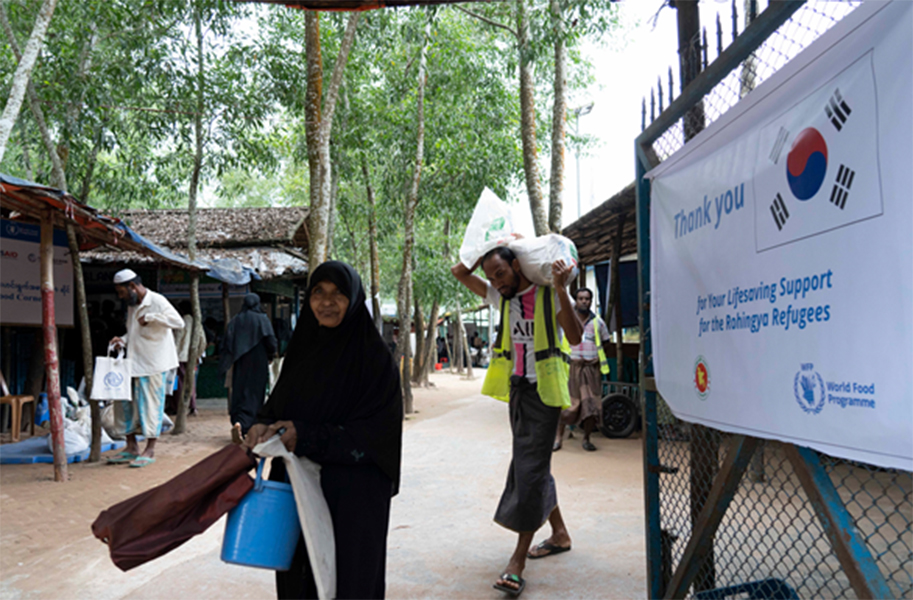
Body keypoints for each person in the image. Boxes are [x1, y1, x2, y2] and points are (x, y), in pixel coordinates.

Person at [243, 261, 402, 600]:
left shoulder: (374, 360)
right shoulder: (303, 350)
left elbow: (378, 435)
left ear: (354, 299)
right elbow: (281, 402)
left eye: (338, 294)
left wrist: (307, 434)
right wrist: (261, 422)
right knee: (300, 575)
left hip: (354, 494)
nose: (326, 302)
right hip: (298, 490)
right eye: (318, 293)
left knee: (349, 578)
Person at [451, 247, 583, 598]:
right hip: (518, 391)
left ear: (517, 265)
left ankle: (517, 562)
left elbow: (575, 336)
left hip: (545, 394)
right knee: (534, 466)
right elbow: (459, 273)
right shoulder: (501, 296)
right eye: (491, 277)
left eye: (501, 274)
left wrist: (560, 289)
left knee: (528, 469)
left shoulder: (545, 294)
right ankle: (560, 534)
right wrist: (483, 248)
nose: (496, 282)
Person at [107, 269, 184, 468]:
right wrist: (122, 340)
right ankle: (131, 447)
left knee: (150, 408)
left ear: (132, 287)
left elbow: (178, 322)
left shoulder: (157, 301)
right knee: (125, 407)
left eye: (122, 292)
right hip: (132, 363)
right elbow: (134, 332)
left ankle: (149, 449)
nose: (120, 296)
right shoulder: (133, 305)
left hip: (153, 364)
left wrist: (152, 317)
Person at [555, 287, 611, 452]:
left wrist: (596, 359)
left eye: (587, 298)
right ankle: (558, 438)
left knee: (591, 405)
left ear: (591, 301)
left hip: (591, 370)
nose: (584, 301)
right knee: (566, 404)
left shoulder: (598, 322)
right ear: (576, 300)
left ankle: (586, 439)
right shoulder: (566, 320)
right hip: (571, 368)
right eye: (580, 298)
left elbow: (606, 343)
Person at [220, 293, 277, 436]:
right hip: (259, 362)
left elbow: (227, 343)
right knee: (255, 393)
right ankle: (247, 426)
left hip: (240, 362)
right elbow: (271, 341)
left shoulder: (236, 320)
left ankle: (238, 421)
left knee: (240, 392)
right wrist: (271, 355)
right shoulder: (262, 319)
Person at [167, 301, 207, 416]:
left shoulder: (182, 321)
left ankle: (177, 406)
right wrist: (197, 355)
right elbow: (203, 340)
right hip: (192, 358)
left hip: (179, 358)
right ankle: (192, 406)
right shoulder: (197, 322)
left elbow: (177, 340)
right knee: (191, 383)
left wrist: (172, 354)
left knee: (177, 383)